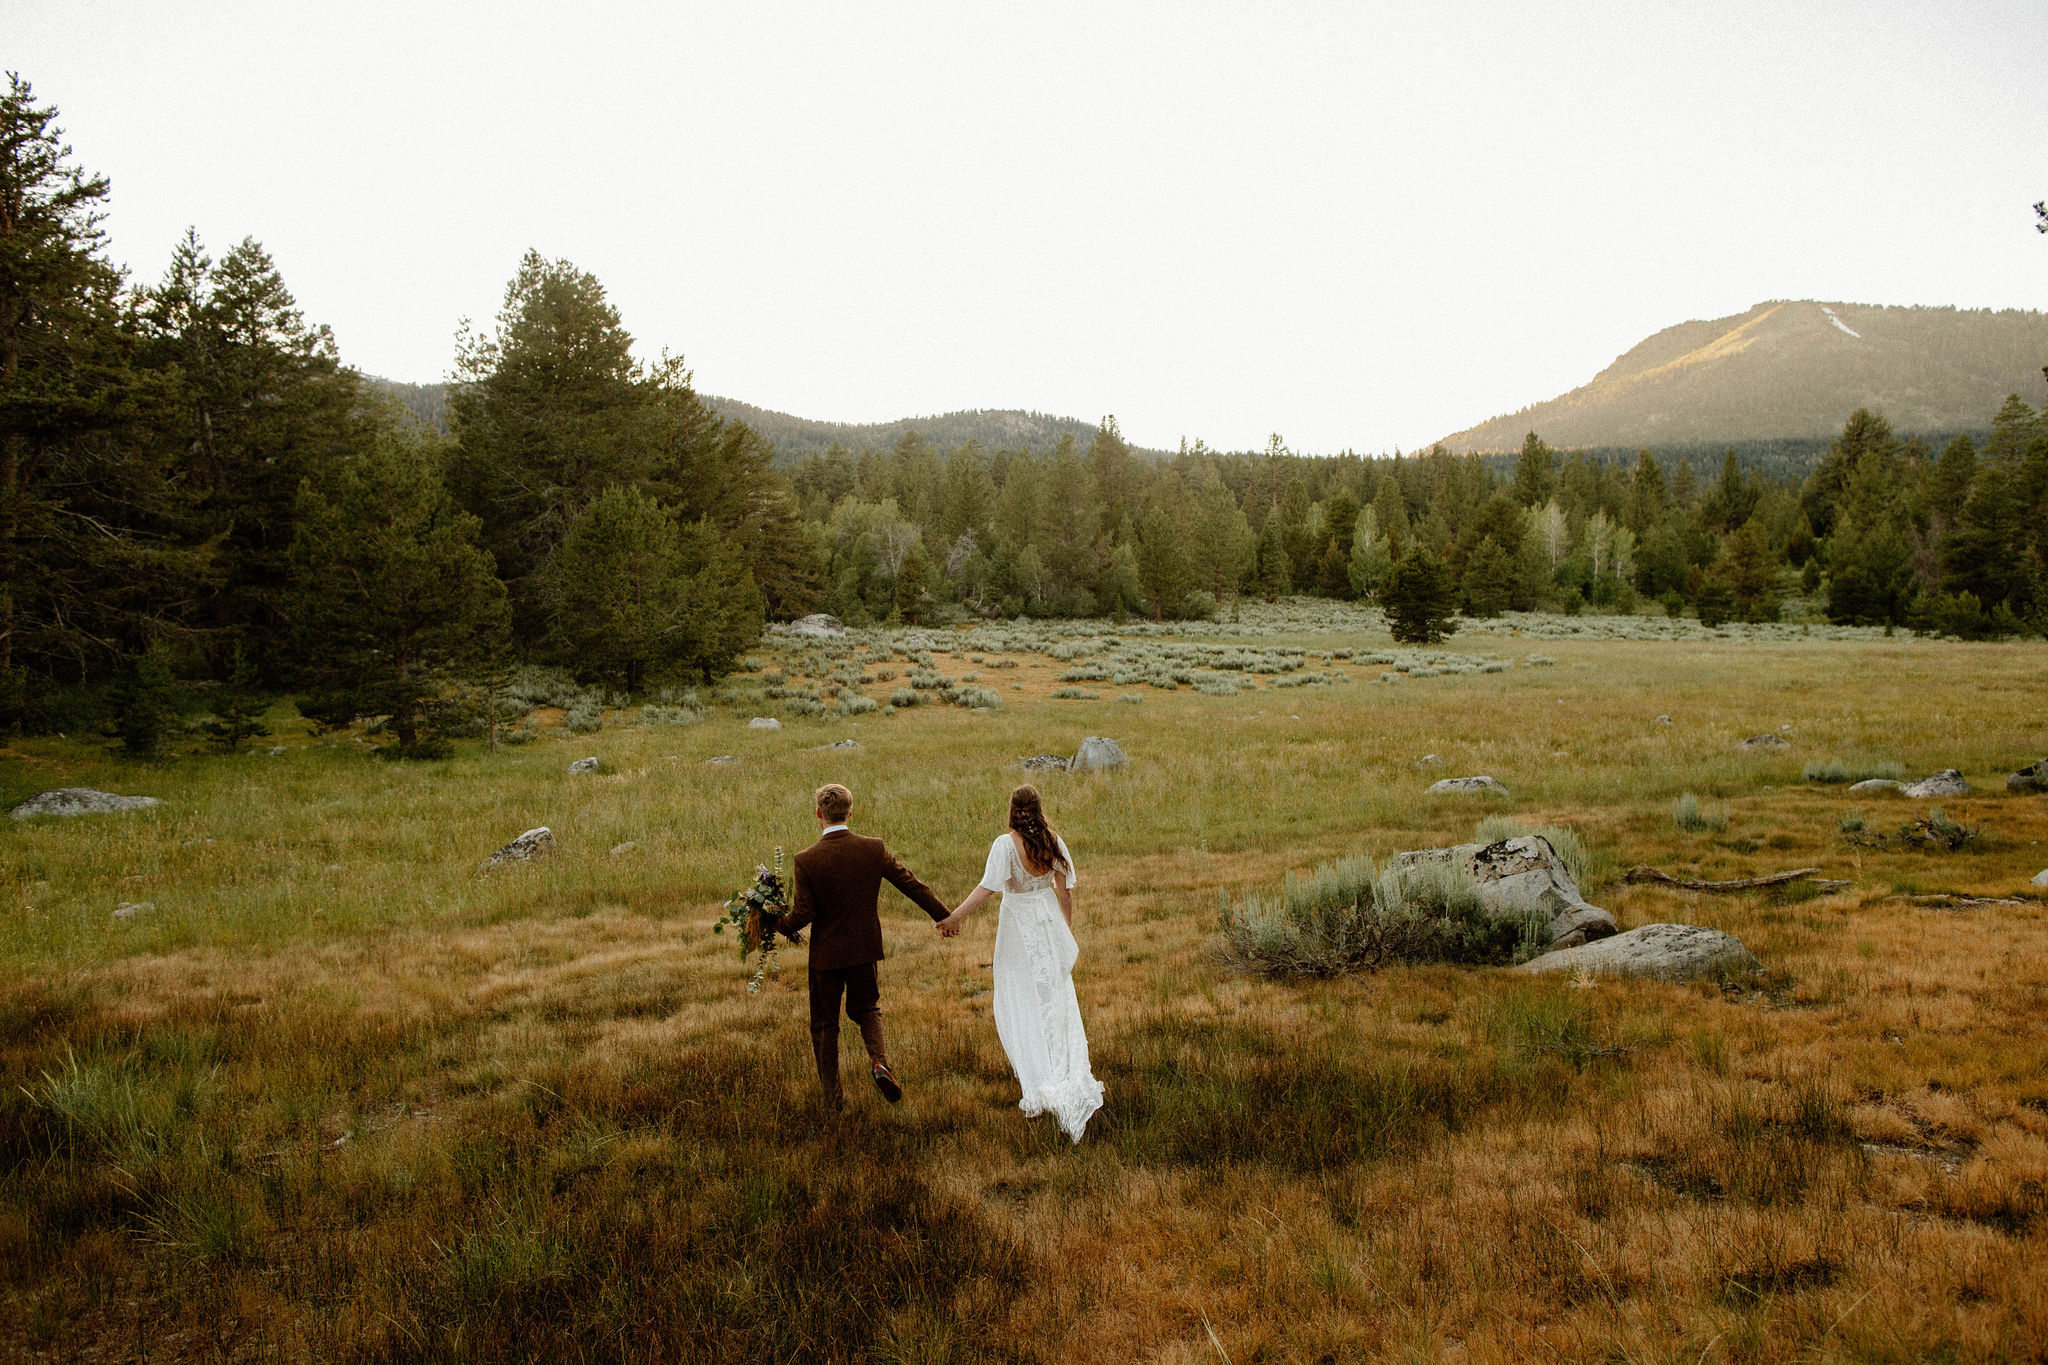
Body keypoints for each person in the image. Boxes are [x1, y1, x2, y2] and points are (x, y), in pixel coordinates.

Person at [936, 784, 1103, 1142]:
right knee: (1053, 999)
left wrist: (955, 917)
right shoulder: (1053, 841)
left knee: (1018, 998)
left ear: (1012, 809)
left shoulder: (1005, 845)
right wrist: (1063, 934)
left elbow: (987, 888)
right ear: (1039, 809)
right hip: (1046, 920)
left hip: (1017, 926)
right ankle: (1054, 1069)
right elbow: (1065, 892)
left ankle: (1039, 1079)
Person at [780, 783, 952, 1111]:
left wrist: (774, 923)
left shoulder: (806, 860)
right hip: (863, 949)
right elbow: (910, 882)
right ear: (850, 811)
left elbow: (803, 915)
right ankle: (879, 1062)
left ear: (819, 814)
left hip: (826, 958)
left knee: (824, 1025)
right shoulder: (873, 849)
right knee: (867, 1007)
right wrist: (944, 915)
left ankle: (833, 1100)